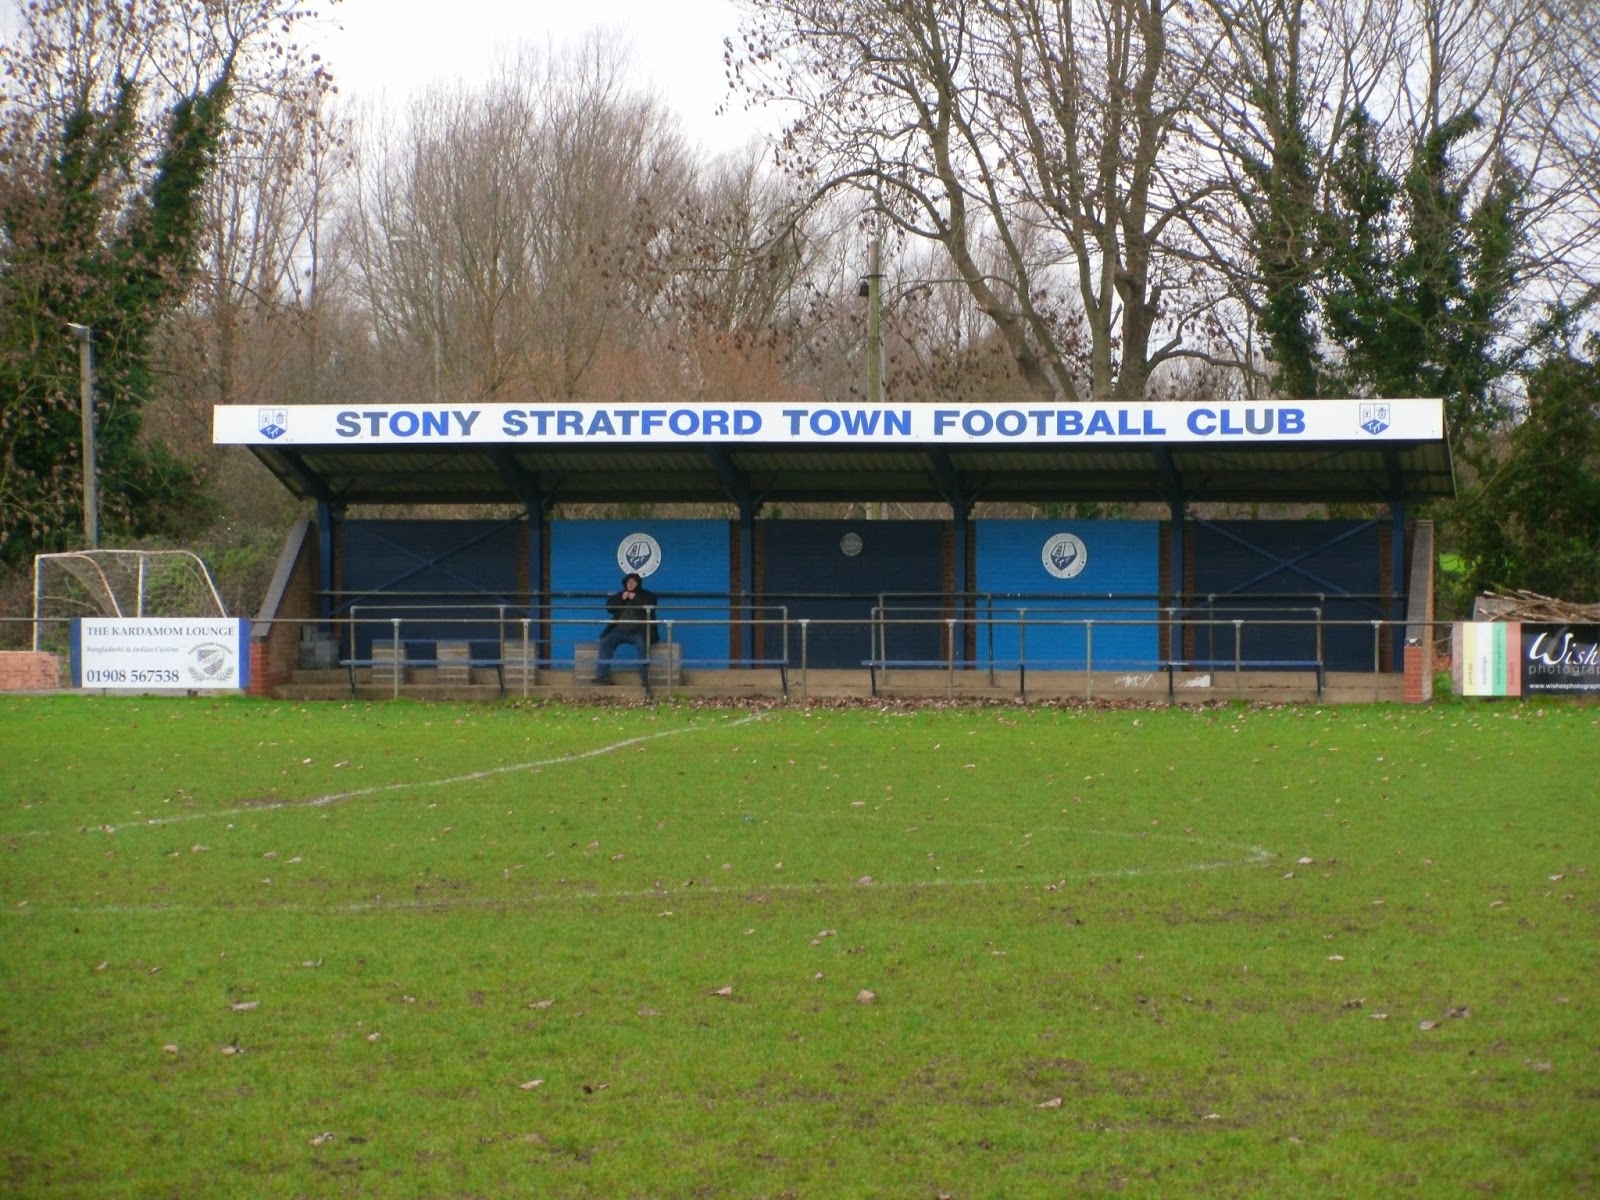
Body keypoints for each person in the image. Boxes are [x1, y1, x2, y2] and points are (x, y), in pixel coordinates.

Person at [592, 572, 658, 685]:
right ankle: (602, 677)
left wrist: (635, 598)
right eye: (628, 582)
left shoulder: (648, 595)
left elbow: (650, 607)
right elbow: (609, 607)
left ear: (638, 583)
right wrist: (621, 598)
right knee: (605, 643)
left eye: (633, 582)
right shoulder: (621, 595)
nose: (630, 584)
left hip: (639, 631)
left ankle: (645, 680)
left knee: (643, 647)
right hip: (619, 630)